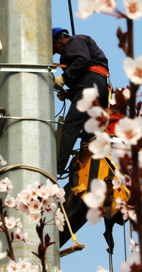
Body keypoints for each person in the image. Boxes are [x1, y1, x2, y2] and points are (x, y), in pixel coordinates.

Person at [52, 27, 110, 176]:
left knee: (71, 124)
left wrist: (64, 77)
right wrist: (69, 93)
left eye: (54, 46)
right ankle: (83, 173)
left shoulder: (74, 40)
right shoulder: (73, 51)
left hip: (93, 83)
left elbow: (83, 61)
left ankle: (56, 166)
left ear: (60, 37)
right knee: (88, 137)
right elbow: (83, 79)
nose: (56, 51)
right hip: (99, 89)